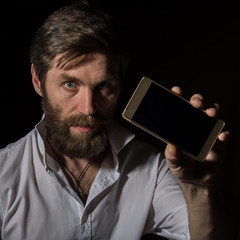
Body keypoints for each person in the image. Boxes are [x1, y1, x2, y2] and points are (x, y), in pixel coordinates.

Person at [0, 1, 237, 239]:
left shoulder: (151, 168)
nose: (89, 108)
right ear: (37, 81)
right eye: (70, 84)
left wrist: (198, 189)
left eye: (104, 86)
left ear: (120, 83)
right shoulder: (4, 175)